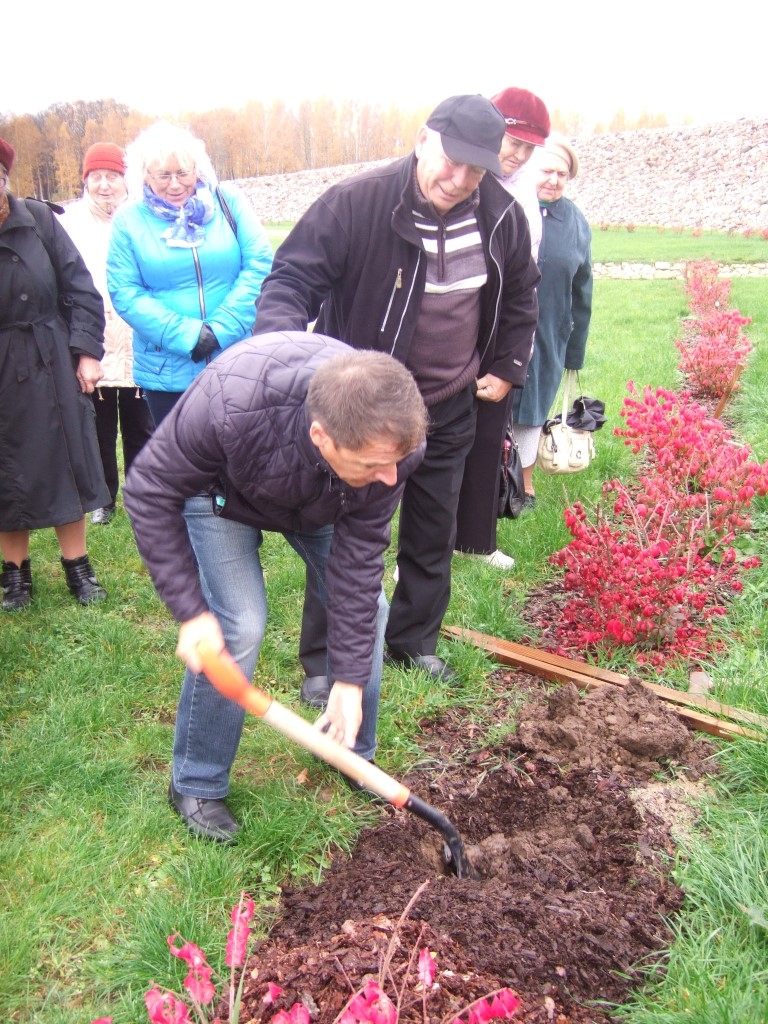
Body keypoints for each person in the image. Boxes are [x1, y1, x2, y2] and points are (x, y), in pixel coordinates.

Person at [253, 95, 540, 700]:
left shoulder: (501, 214)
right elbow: (292, 280)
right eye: (451, 161)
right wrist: (283, 354)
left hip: (450, 400)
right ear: (422, 140)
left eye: (476, 170)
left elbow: (521, 293)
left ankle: (414, 642)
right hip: (367, 408)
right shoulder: (357, 203)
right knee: (342, 531)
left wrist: (509, 364)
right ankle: (327, 663)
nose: (459, 180)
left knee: (433, 531)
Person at [123, 333, 427, 842]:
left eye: (394, 461)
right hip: (222, 490)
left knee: (368, 606)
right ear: (322, 435)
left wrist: (348, 681)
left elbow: (358, 560)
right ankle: (196, 782)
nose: (391, 475)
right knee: (237, 624)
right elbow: (149, 491)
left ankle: (351, 752)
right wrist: (190, 612)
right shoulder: (227, 406)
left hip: (327, 496)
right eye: (376, 463)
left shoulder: (393, 446)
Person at [0, 137, 110, 610]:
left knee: (69, 461)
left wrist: (85, 351)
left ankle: (78, 568)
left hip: (50, 360)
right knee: (6, 472)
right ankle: (15, 575)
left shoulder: (39, 220)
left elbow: (81, 289)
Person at [107, 121, 273, 426]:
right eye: (163, 175)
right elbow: (125, 292)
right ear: (145, 175)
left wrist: (221, 329)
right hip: (168, 373)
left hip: (237, 359)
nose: (175, 184)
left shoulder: (229, 202)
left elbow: (260, 264)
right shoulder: (128, 221)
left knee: (244, 463)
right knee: (182, 470)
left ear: (198, 169)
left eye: (183, 173)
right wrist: (189, 335)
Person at [454, 87, 550, 567]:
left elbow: (523, 287)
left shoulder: (524, 199)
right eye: (512, 142)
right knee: (426, 446)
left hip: (495, 332)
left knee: (488, 437)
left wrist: (511, 362)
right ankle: (415, 547)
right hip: (447, 331)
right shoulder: (454, 181)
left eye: (529, 149)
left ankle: (475, 540)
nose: (517, 155)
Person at [60, 143, 154, 525]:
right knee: (97, 426)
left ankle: (144, 494)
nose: (104, 185)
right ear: (86, 181)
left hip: (140, 338)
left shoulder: (144, 216)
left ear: (125, 180)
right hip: (92, 340)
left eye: (112, 177)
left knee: (142, 425)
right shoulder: (68, 222)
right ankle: (103, 498)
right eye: (96, 177)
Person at [512, 134, 593, 499]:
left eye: (563, 174)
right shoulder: (511, 206)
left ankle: (523, 483)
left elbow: (582, 290)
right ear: (530, 169)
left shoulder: (576, 223)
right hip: (505, 325)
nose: (554, 179)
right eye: (547, 170)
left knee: (532, 406)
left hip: (548, 330)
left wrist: (574, 352)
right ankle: (485, 479)